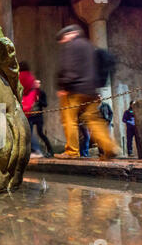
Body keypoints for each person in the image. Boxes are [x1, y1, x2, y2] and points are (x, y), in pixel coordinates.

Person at [54, 25, 120, 160]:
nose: (63, 41)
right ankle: (110, 147)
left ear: (71, 33)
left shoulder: (72, 46)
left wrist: (64, 85)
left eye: (64, 37)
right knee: (94, 119)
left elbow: (69, 67)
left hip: (74, 90)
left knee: (69, 121)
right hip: (90, 90)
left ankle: (72, 151)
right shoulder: (89, 46)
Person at [19, 61, 42, 158]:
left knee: (25, 131)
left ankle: (35, 150)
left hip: (22, 107)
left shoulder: (20, 76)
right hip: (29, 107)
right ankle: (35, 150)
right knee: (28, 130)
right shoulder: (31, 78)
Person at [27, 80, 54, 158]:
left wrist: (39, 100)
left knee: (41, 133)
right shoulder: (29, 92)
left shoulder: (41, 93)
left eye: (38, 83)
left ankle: (50, 150)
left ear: (40, 84)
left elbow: (45, 104)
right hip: (30, 116)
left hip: (38, 116)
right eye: (35, 83)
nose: (36, 84)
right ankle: (31, 151)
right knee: (29, 134)